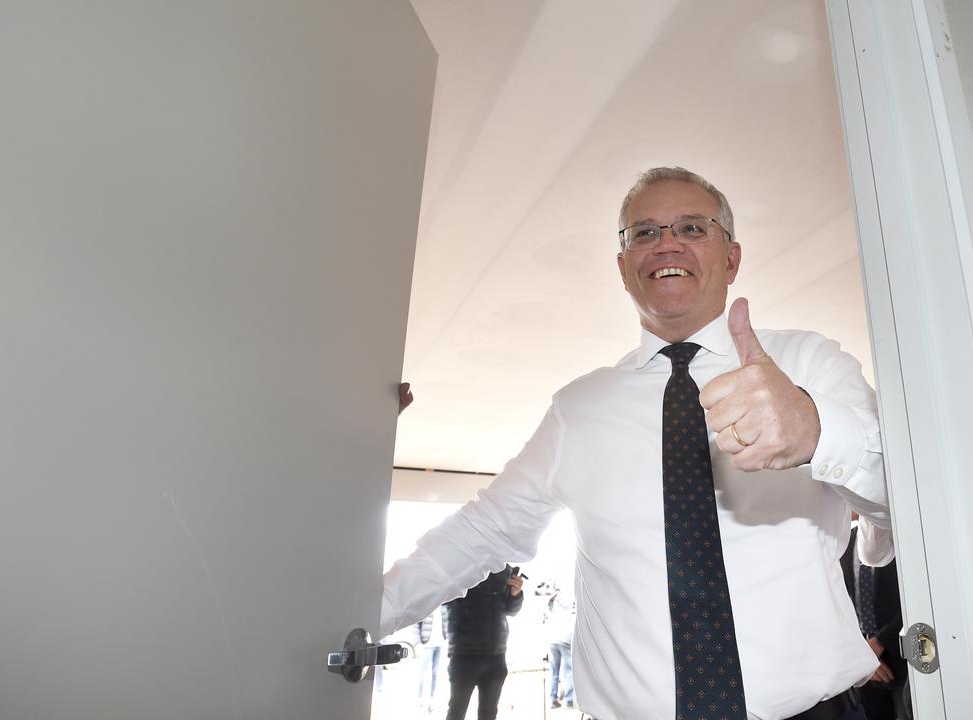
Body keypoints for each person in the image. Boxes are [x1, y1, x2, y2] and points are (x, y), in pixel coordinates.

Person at [382, 166, 892, 720]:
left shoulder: (810, 363)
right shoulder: (579, 409)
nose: (666, 242)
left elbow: (904, 504)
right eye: (644, 233)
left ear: (731, 258)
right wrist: (342, 622)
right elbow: (478, 533)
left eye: (693, 228)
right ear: (623, 267)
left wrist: (817, 431)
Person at [841, 516, 910, 720]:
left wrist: (880, 642)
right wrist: (863, 649)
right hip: (866, 667)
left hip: (903, 653)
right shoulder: (843, 542)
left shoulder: (903, 536)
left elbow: (918, 597)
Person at [439, 566, 524, 720]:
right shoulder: (458, 565)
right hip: (464, 653)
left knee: (489, 713)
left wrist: (516, 594)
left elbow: (511, 610)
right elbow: (443, 599)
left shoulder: (504, 569)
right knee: (456, 712)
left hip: (496, 654)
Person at [544, 591, 576, 709]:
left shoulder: (554, 609)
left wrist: (553, 598)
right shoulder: (571, 609)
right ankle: (569, 700)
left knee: (554, 671)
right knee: (567, 671)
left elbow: (549, 606)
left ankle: (553, 700)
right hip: (566, 642)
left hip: (553, 642)